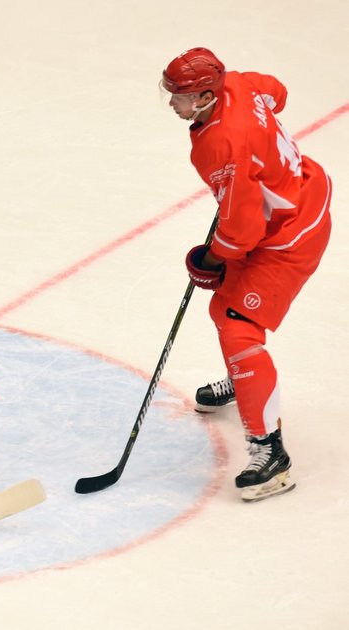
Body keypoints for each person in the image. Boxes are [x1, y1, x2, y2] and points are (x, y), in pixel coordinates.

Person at [162, 48, 332, 502]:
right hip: (295, 197)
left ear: (203, 96)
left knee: (239, 326)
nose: (171, 104)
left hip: (288, 235)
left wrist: (212, 260)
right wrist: (255, 166)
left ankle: (270, 454)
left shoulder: (222, 143)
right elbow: (276, 91)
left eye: (178, 96)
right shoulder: (237, 83)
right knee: (224, 308)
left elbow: (245, 227)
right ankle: (247, 383)